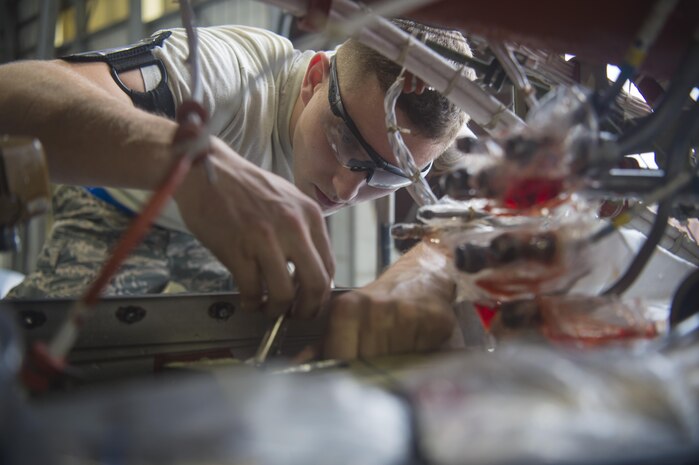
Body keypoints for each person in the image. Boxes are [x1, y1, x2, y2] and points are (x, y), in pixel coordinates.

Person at [0, 19, 473, 360]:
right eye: (342, 138)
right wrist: (195, 164)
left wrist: (424, 269)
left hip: (230, 234)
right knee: (44, 351)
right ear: (313, 80)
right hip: (121, 205)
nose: (346, 188)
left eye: (386, 175)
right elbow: (11, 96)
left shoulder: (445, 136)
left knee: (297, 342)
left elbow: (503, 207)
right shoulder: (228, 70)